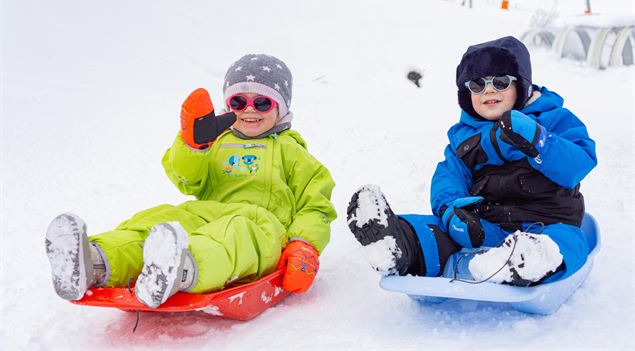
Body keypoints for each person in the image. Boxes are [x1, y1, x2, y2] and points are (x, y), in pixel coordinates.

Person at [45, 54, 337, 308]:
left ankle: (181, 268)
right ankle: (95, 262)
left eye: (262, 103)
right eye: (238, 101)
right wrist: (193, 144)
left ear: (281, 109)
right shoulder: (217, 141)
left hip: (264, 228)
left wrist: (304, 244)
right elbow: (186, 178)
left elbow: (316, 207)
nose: (249, 110)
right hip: (208, 212)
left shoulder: (293, 152)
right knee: (165, 217)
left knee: (235, 234)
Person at [347, 36, 597, 286]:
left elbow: (578, 164)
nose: (488, 90)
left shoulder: (552, 120)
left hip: (546, 222)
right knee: (439, 233)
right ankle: (397, 243)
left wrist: (539, 139)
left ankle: (528, 259)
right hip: (486, 226)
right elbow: (448, 178)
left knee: (569, 241)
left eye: (500, 82)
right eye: (477, 84)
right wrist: (453, 212)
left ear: (521, 86)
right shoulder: (464, 138)